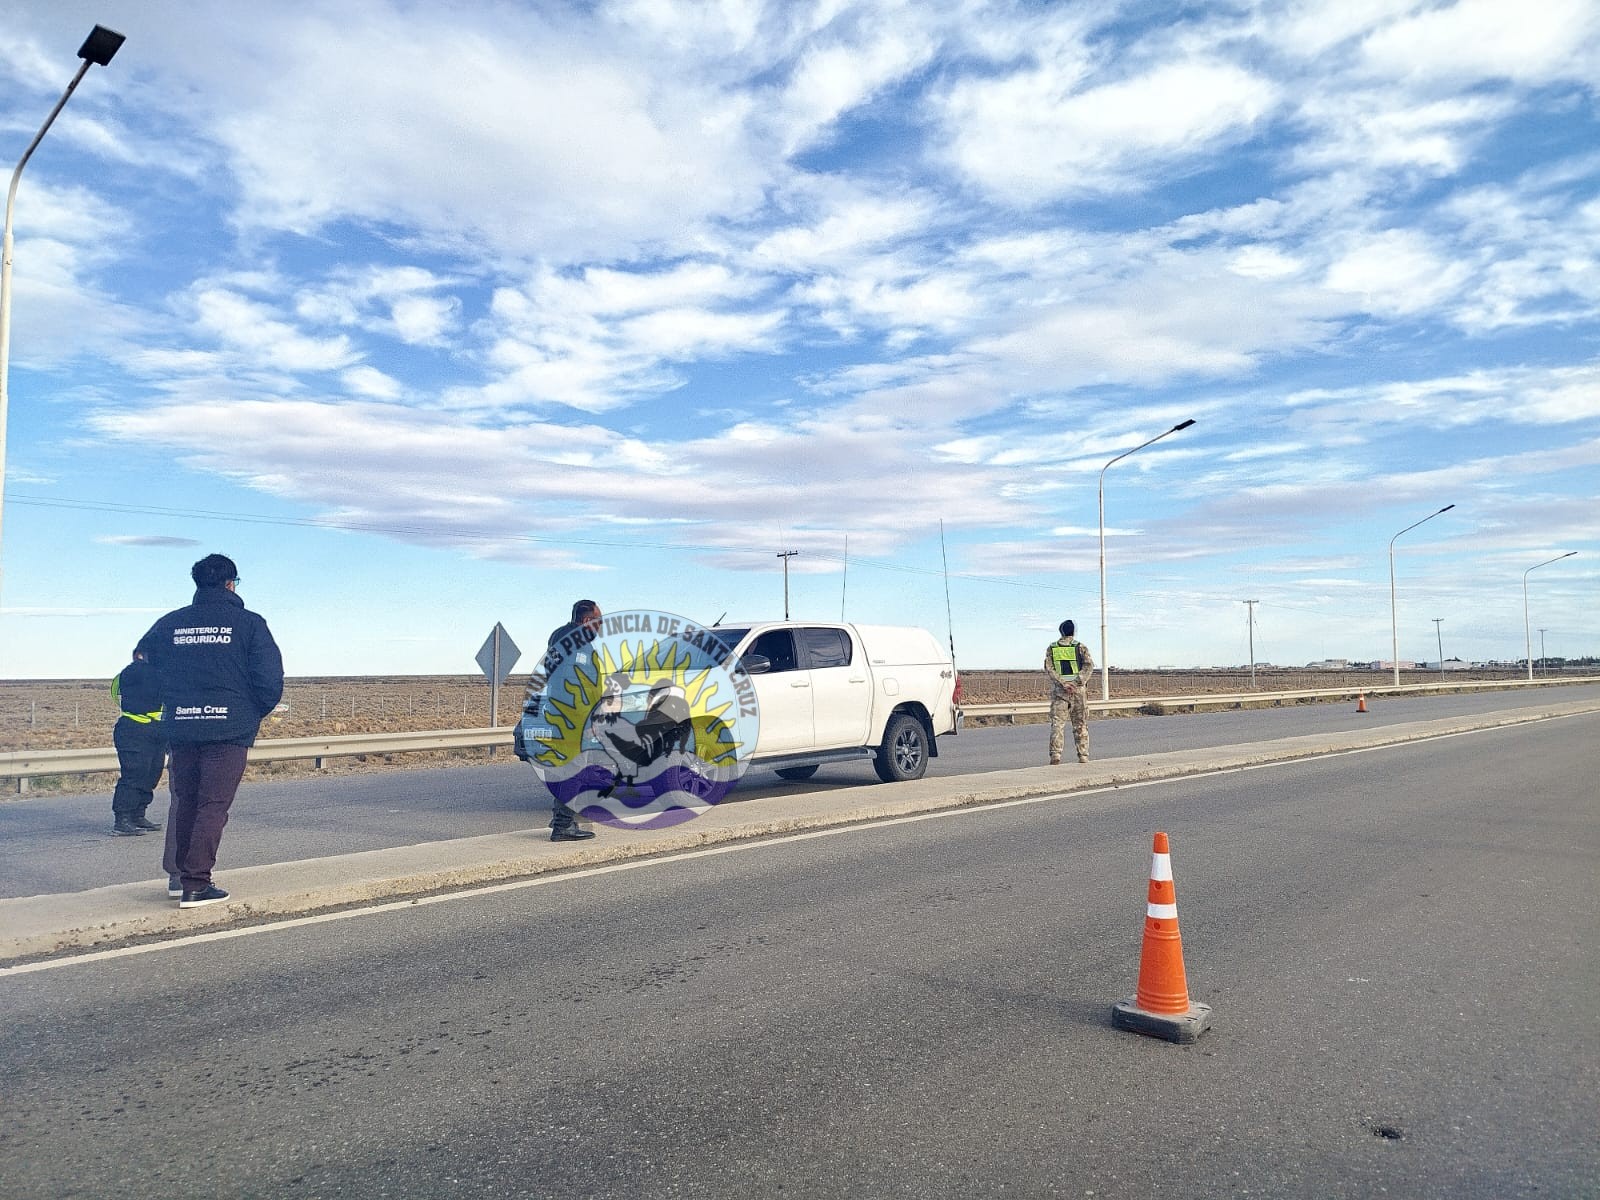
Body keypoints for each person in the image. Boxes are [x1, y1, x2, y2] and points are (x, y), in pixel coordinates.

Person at [138, 554, 283, 908]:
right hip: (228, 729)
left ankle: (179, 876)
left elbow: (142, 662)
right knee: (212, 805)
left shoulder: (170, 624)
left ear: (198, 584)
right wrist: (248, 715)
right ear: (231, 583)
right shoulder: (249, 624)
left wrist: (170, 701)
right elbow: (269, 679)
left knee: (185, 801)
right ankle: (196, 884)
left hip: (183, 725)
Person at [543, 599, 603, 841]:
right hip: (575, 717)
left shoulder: (558, 636)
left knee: (563, 768)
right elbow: (580, 684)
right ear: (587, 620)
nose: (601, 627)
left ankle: (559, 817)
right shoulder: (580, 645)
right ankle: (563, 825)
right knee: (574, 770)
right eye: (599, 621)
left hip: (557, 712)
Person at [109, 648, 168, 836]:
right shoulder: (139, 672)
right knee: (134, 774)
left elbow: (115, 695)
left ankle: (138, 815)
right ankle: (123, 819)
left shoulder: (131, 674)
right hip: (134, 729)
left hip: (153, 728)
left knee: (151, 774)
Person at [1044, 619, 1095, 765]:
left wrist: (1063, 683)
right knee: (1080, 724)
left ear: (1061, 631)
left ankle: (1056, 755)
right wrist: (1076, 682)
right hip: (1078, 692)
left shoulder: (1052, 648)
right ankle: (1083, 756)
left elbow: (1049, 669)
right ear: (1073, 632)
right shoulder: (1080, 647)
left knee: (1057, 725)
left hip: (1060, 692)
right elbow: (1088, 666)